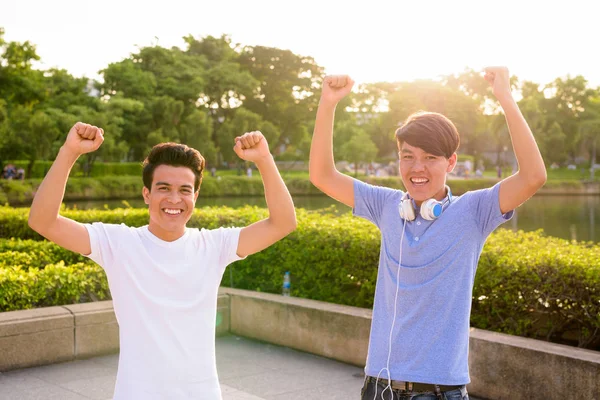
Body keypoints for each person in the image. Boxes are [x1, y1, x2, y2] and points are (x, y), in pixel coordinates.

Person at [309, 67, 546, 400]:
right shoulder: (386, 204)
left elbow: (534, 176)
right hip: (379, 387)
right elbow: (321, 175)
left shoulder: (474, 212)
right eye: (408, 157)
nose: (416, 168)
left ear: (451, 162)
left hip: (438, 392)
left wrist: (505, 98)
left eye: (429, 158)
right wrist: (328, 102)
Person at [28, 123, 297, 400]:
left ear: (195, 197)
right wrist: (69, 151)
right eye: (164, 188)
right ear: (147, 194)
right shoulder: (118, 243)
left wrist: (264, 159)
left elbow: (284, 223)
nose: (173, 199)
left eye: (184, 190)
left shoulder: (214, 245)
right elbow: (42, 221)